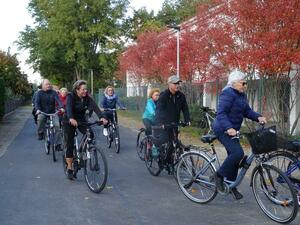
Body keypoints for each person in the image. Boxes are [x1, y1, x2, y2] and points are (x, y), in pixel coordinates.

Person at [212, 69, 267, 200]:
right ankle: (218, 176)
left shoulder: (241, 95)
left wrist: (259, 117)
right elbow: (221, 114)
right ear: (234, 83)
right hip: (222, 128)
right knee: (238, 154)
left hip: (233, 129)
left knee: (235, 157)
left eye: (245, 83)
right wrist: (229, 127)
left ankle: (231, 185)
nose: (245, 85)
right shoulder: (227, 94)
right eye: (243, 83)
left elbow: (247, 111)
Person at [63, 80, 108, 180]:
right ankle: (70, 168)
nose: (85, 91)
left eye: (86, 89)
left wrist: (101, 117)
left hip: (81, 120)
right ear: (77, 90)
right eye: (83, 89)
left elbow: (95, 107)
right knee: (69, 143)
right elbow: (69, 108)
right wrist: (71, 118)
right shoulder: (70, 96)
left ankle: (82, 151)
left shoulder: (87, 97)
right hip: (69, 120)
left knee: (90, 134)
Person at [154, 75, 190, 173]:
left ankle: (169, 162)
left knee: (174, 142)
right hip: (165, 123)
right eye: (175, 83)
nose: (177, 85)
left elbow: (185, 109)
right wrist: (160, 123)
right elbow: (159, 110)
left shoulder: (181, 96)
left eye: (178, 83)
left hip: (175, 123)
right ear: (169, 84)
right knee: (165, 140)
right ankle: (158, 153)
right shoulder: (164, 95)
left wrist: (187, 120)